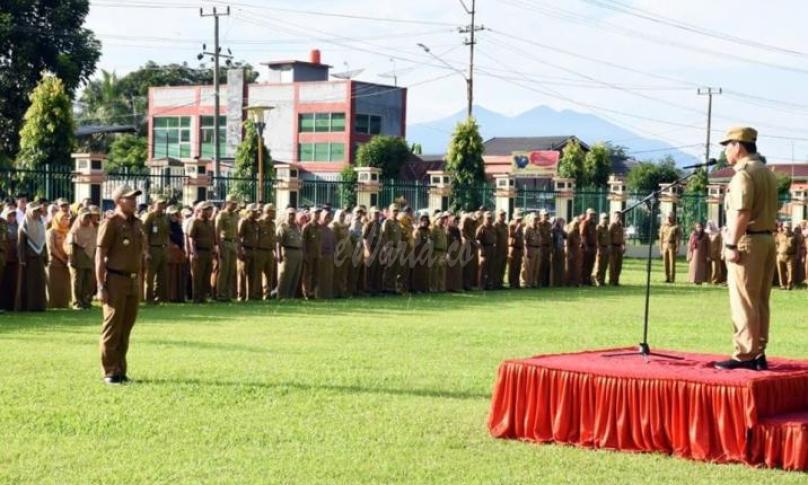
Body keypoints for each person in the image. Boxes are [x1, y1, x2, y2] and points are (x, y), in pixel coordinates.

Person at [714, 127, 777, 371]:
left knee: (743, 301)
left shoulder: (744, 174)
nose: (726, 151)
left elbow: (741, 212)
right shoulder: (766, 172)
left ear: (738, 146)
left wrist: (730, 243)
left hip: (747, 241)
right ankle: (758, 352)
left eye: (727, 145)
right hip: (766, 240)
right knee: (760, 300)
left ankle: (745, 354)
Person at [96, 185, 146, 384]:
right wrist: (101, 286)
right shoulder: (111, 223)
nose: (134, 201)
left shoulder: (137, 223)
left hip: (133, 280)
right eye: (130, 198)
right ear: (118, 200)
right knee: (112, 328)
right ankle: (109, 371)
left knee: (126, 328)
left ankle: (120, 370)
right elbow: (100, 255)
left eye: (135, 198)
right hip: (115, 280)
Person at [66, 208, 97, 309]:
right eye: (85, 217)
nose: (88, 219)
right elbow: (70, 246)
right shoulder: (74, 230)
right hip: (77, 258)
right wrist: (72, 260)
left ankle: (86, 301)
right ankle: (77, 303)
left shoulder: (92, 228)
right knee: (77, 281)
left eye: (89, 217)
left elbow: (94, 244)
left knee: (88, 281)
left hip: (89, 258)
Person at [142, 197, 169, 304]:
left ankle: (160, 297)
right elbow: (144, 234)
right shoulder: (149, 216)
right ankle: (149, 298)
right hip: (152, 248)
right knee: (150, 275)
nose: (162, 206)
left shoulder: (164, 217)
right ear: (154, 204)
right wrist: (146, 251)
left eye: (163, 204)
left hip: (162, 248)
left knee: (163, 274)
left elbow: (167, 233)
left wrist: (167, 247)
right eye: (160, 204)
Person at [189, 202, 217, 303]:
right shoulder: (195, 222)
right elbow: (191, 238)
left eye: (210, 210)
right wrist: (193, 252)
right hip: (199, 252)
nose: (209, 212)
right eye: (206, 210)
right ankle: (196, 298)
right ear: (201, 210)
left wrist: (214, 249)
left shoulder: (210, 223)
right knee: (197, 276)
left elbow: (213, 238)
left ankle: (203, 297)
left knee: (206, 275)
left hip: (208, 252)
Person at [215, 195, 240, 302]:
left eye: (235, 204)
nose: (234, 205)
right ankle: (220, 294)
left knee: (231, 270)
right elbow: (217, 232)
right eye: (233, 203)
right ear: (227, 203)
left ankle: (228, 294)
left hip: (233, 243)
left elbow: (237, 232)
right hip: (224, 243)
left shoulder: (235, 215)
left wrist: (238, 245)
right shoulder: (221, 215)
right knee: (224, 270)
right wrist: (219, 248)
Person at [276, 207, 303, 299]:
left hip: (298, 252)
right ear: (286, 215)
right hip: (288, 252)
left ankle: (290, 296)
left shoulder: (297, 227)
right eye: (290, 214)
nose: (292, 216)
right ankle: (281, 295)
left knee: (295, 275)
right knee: (285, 275)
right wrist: (278, 255)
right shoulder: (283, 227)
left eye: (293, 214)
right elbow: (278, 242)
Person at [237, 204, 261, 300]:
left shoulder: (256, 223)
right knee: (242, 274)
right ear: (248, 212)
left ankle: (250, 295)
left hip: (254, 250)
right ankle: (241, 295)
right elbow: (238, 237)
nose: (256, 214)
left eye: (256, 212)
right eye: (253, 212)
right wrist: (240, 250)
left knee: (253, 274)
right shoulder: (243, 222)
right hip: (245, 250)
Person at [166, 206, 187, 303]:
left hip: (180, 253)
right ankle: (171, 296)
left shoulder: (178, 226)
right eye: (172, 215)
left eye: (175, 214)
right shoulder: (167, 226)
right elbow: (166, 238)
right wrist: (172, 245)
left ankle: (179, 296)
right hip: (171, 254)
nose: (174, 216)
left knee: (180, 274)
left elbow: (182, 238)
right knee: (171, 275)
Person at [257, 204, 277, 299]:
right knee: (258, 273)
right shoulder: (259, 223)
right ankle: (257, 293)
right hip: (260, 251)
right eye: (273, 212)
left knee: (269, 274)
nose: (275, 214)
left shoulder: (273, 224)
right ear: (268, 212)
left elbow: (273, 238)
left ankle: (267, 294)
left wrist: (275, 251)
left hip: (270, 251)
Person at [301, 206, 322, 299]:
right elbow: (303, 242)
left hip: (317, 254)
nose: (317, 215)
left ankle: (313, 292)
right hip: (309, 255)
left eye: (318, 213)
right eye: (315, 213)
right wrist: (304, 254)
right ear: (311, 214)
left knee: (316, 274)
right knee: (307, 275)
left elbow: (320, 241)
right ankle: (306, 293)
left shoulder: (319, 227)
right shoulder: (306, 227)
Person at [0, 206, 19, 311]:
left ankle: (10, 305)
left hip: (12, 259)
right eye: (9, 215)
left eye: (14, 215)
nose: (12, 217)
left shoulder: (17, 226)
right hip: (4, 257)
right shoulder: (4, 224)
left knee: (11, 283)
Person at [381, 204, 402, 294]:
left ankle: (392, 287)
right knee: (388, 269)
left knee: (396, 269)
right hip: (390, 248)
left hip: (397, 248)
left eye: (397, 211)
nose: (396, 212)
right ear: (390, 212)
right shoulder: (387, 222)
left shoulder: (398, 223)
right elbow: (384, 236)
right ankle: (386, 287)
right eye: (394, 211)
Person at [363, 206, 384, 295]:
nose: (376, 215)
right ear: (370, 214)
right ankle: (368, 289)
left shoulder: (379, 225)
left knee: (378, 269)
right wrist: (368, 250)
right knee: (369, 270)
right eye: (374, 213)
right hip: (370, 248)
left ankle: (376, 289)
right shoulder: (368, 224)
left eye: (377, 213)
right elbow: (364, 238)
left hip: (378, 249)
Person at [317, 209, 335, 299]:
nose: (327, 219)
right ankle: (319, 295)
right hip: (320, 255)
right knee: (320, 276)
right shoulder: (317, 228)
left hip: (329, 255)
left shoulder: (330, 230)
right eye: (326, 217)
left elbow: (333, 243)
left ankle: (327, 294)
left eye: (329, 217)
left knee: (328, 275)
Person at [659, 212, 682, 283]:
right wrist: (660, 248)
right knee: (665, 262)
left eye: (670, 217)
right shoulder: (663, 226)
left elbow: (678, 238)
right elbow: (661, 238)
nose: (669, 218)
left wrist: (678, 247)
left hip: (672, 245)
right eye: (668, 217)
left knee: (672, 262)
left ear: (673, 218)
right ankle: (667, 277)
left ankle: (672, 278)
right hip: (665, 245)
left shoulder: (676, 227)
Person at [476, 211, 497, 290]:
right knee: (483, 268)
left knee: (491, 267)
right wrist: (481, 250)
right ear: (484, 219)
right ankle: (481, 285)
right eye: (488, 218)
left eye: (491, 218)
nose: (490, 220)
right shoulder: (481, 228)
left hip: (492, 248)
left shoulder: (493, 228)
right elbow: (477, 240)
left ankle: (489, 284)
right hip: (485, 248)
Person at [411, 213, 431, 293]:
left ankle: (424, 288)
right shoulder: (417, 231)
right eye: (423, 220)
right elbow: (416, 243)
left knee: (425, 272)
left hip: (427, 254)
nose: (424, 222)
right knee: (418, 272)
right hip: (418, 254)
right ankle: (416, 288)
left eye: (426, 220)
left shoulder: (428, 231)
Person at [430, 212, 448, 293]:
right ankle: (434, 287)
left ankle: (441, 287)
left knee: (442, 270)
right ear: (436, 219)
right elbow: (431, 241)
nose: (442, 220)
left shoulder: (443, 229)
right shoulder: (434, 229)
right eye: (441, 219)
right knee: (435, 270)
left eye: (443, 219)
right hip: (436, 251)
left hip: (443, 252)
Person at [775, 223, 797, 290]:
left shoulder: (794, 236)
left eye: (788, 227)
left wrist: (797, 254)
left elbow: (797, 246)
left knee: (791, 271)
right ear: (783, 228)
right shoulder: (779, 235)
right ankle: (782, 285)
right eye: (785, 227)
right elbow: (776, 243)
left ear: (790, 228)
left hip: (791, 255)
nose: (787, 229)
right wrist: (778, 251)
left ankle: (789, 285)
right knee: (780, 271)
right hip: (780, 255)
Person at [445, 213, 464, 292]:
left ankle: (456, 287)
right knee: (450, 271)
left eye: (457, 221)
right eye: (454, 221)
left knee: (457, 271)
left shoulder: (457, 231)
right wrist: (447, 253)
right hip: (450, 254)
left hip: (457, 253)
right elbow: (446, 243)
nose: (456, 223)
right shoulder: (448, 231)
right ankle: (449, 287)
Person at [461, 212, 479, 290]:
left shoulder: (474, 223)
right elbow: (463, 233)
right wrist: (472, 241)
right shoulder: (465, 220)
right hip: (467, 245)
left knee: (471, 266)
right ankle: (464, 284)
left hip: (473, 246)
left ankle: (470, 284)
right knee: (466, 266)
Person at [521, 214, 540, 288]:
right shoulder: (527, 229)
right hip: (530, 249)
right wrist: (527, 251)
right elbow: (525, 241)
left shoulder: (537, 229)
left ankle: (534, 282)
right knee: (529, 268)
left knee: (536, 267)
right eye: (534, 219)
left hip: (537, 249)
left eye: (536, 220)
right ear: (530, 220)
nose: (536, 221)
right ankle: (528, 283)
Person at [579, 209, 597, 286]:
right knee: (584, 264)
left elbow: (595, 236)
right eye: (591, 214)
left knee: (591, 264)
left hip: (592, 247)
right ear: (587, 214)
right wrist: (586, 246)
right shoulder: (584, 223)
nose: (592, 216)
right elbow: (582, 236)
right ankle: (583, 280)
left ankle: (588, 279)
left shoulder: (593, 224)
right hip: (586, 247)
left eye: (593, 214)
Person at [507, 210, 524, 289]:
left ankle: (517, 283)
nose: (519, 220)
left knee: (518, 267)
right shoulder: (511, 224)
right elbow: (511, 234)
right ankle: (511, 283)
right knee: (512, 267)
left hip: (519, 248)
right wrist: (518, 227)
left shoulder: (521, 225)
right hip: (513, 247)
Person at [593, 213, 610, 287]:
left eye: (607, 218)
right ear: (601, 219)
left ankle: (602, 280)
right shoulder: (598, 227)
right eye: (604, 218)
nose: (606, 219)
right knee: (599, 266)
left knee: (604, 266)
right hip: (600, 248)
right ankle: (597, 281)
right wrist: (598, 249)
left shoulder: (607, 228)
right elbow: (596, 239)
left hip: (606, 248)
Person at [493, 210, 509, 290]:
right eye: (501, 215)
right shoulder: (495, 225)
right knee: (497, 268)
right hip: (498, 250)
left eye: (504, 215)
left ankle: (500, 283)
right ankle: (495, 283)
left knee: (503, 268)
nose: (503, 216)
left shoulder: (505, 225)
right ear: (497, 216)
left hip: (504, 250)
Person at [608, 212, 625, 286]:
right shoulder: (612, 225)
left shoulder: (621, 226)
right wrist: (610, 246)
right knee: (613, 265)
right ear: (614, 217)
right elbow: (609, 237)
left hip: (619, 247)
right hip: (613, 246)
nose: (619, 218)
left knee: (619, 265)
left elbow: (622, 237)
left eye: (620, 216)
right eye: (617, 216)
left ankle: (616, 280)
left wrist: (624, 245)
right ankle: (611, 280)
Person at [550, 217, 567, 287]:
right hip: (555, 250)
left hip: (561, 249)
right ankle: (554, 282)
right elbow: (551, 240)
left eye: (563, 223)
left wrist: (562, 229)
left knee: (561, 267)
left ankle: (561, 282)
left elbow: (566, 236)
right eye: (561, 222)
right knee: (555, 267)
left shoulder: (561, 231)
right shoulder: (553, 230)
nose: (562, 224)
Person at [566, 216, 582, 287]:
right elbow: (568, 245)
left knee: (577, 268)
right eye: (576, 224)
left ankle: (576, 282)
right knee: (570, 268)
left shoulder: (578, 233)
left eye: (578, 224)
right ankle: (569, 282)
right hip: (572, 252)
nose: (577, 225)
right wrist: (569, 253)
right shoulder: (570, 233)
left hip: (577, 252)